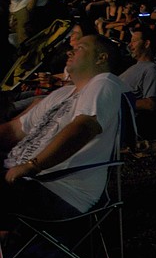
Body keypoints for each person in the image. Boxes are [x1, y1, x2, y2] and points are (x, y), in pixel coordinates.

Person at [1, 34, 127, 217]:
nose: (70, 51)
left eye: (80, 48)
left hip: (55, 188)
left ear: (101, 58)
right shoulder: (62, 94)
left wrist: (32, 166)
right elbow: (14, 130)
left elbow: (85, 127)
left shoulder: (105, 82)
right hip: (19, 176)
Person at [119, 26, 156, 113]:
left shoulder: (151, 69)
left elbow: (150, 104)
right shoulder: (134, 67)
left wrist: (116, 103)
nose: (130, 45)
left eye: (134, 41)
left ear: (147, 44)